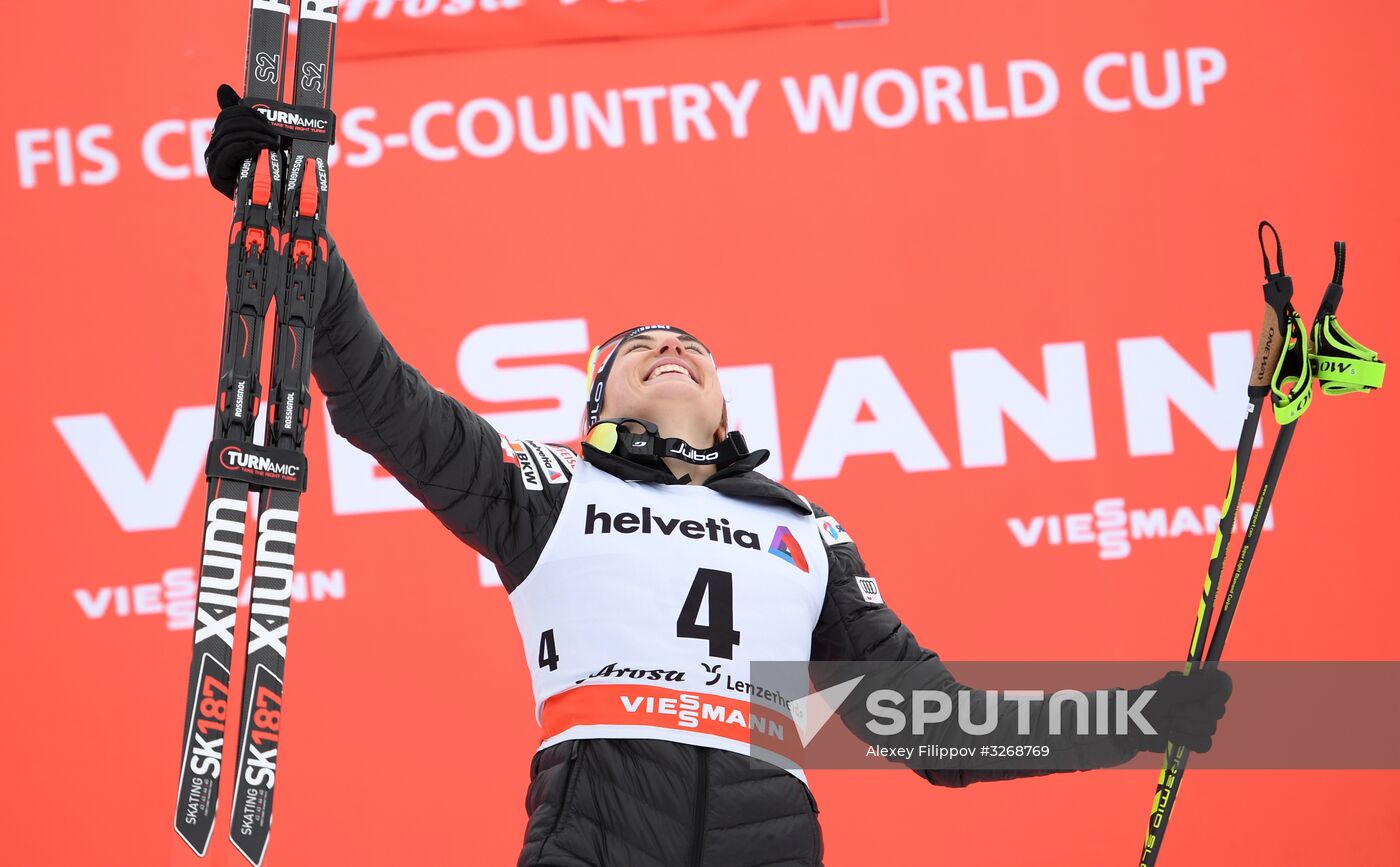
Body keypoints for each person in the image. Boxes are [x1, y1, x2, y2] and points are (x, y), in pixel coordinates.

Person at [204, 91, 1232, 867]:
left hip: (768, 839)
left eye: (690, 346)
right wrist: (302, 251)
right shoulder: (551, 489)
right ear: (596, 406)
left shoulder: (805, 529)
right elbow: (388, 403)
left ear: (725, 406)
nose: (670, 347)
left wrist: (1135, 721)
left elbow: (938, 728)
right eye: (637, 348)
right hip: (597, 834)